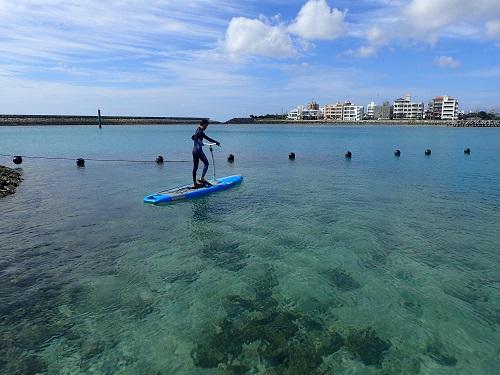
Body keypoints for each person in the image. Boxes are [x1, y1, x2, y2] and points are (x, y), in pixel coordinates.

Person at [191, 119, 220, 188]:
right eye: (206, 126)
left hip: (194, 150)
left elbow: (192, 137)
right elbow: (208, 139)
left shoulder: (197, 130)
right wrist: (216, 142)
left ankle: (195, 183)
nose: (206, 127)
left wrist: (199, 141)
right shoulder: (201, 132)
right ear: (203, 124)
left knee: (195, 167)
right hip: (198, 151)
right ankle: (202, 178)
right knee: (206, 163)